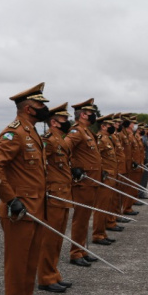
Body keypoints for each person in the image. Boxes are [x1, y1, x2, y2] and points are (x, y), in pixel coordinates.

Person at [0, 82, 50, 295]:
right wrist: (11, 199)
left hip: (35, 209)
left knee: (30, 264)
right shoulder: (14, 133)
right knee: (17, 266)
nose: (44, 107)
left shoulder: (31, 131)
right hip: (19, 212)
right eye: (40, 104)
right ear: (29, 108)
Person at [37, 103, 74, 294]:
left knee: (58, 238)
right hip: (54, 194)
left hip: (63, 193)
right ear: (54, 122)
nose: (67, 122)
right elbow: (39, 166)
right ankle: (45, 277)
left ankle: (53, 273)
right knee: (49, 239)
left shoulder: (60, 140)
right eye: (64, 119)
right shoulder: (48, 140)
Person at [66, 99, 101, 267]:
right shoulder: (76, 131)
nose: (94, 115)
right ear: (83, 115)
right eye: (91, 113)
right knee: (80, 219)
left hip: (91, 181)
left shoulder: (86, 131)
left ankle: (82, 249)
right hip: (83, 182)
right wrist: (73, 167)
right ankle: (75, 253)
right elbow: (63, 149)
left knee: (86, 218)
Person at [91, 114, 118, 247]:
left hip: (110, 177)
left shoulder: (107, 138)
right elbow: (96, 157)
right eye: (110, 125)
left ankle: (103, 233)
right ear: (103, 126)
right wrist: (100, 172)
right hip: (104, 178)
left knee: (106, 206)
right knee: (101, 208)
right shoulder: (100, 139)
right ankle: (97, 235)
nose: (113, 127)